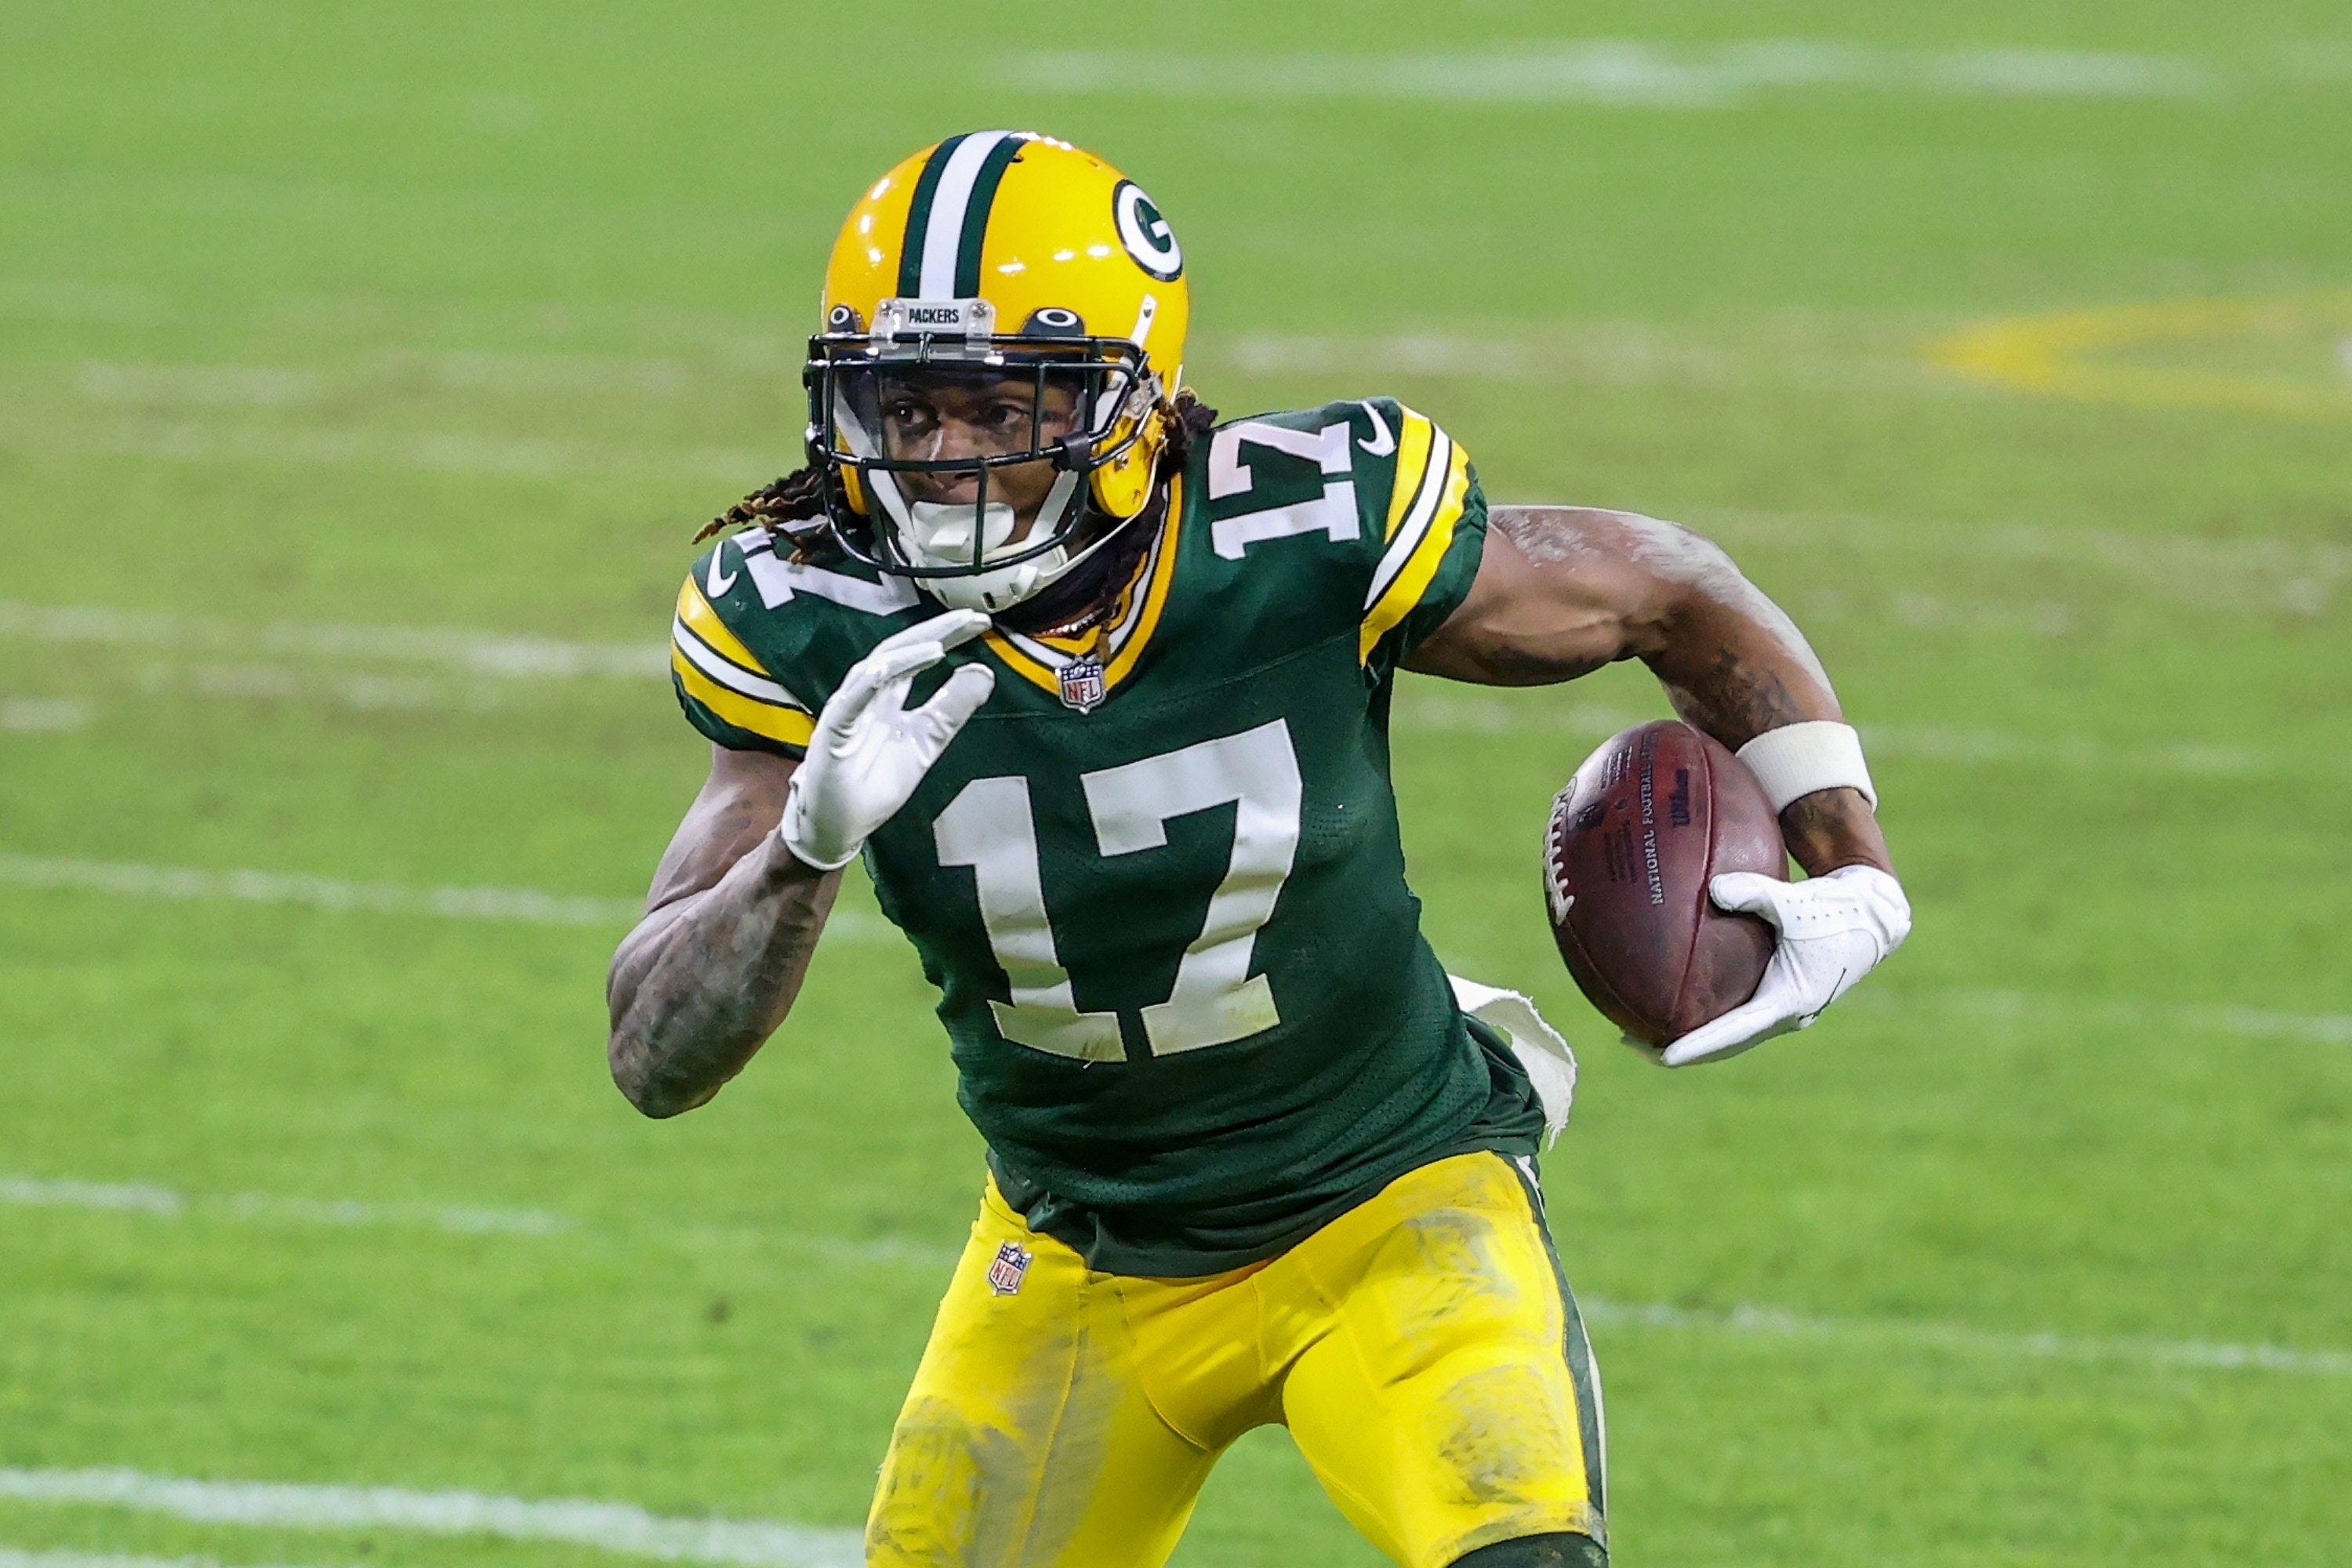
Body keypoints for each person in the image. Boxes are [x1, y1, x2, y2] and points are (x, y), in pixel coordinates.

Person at [606, 131, 1908, 1568]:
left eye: (1000, 407)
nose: (944, 460)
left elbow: (1668, 586)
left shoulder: (1299, 524)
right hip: (1077, 1256)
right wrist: (801, 852)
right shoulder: (798, 610)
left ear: (1132, 404)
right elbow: (653, 1056)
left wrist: (1850, 859)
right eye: (903, 408)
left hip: (1393, 1203)